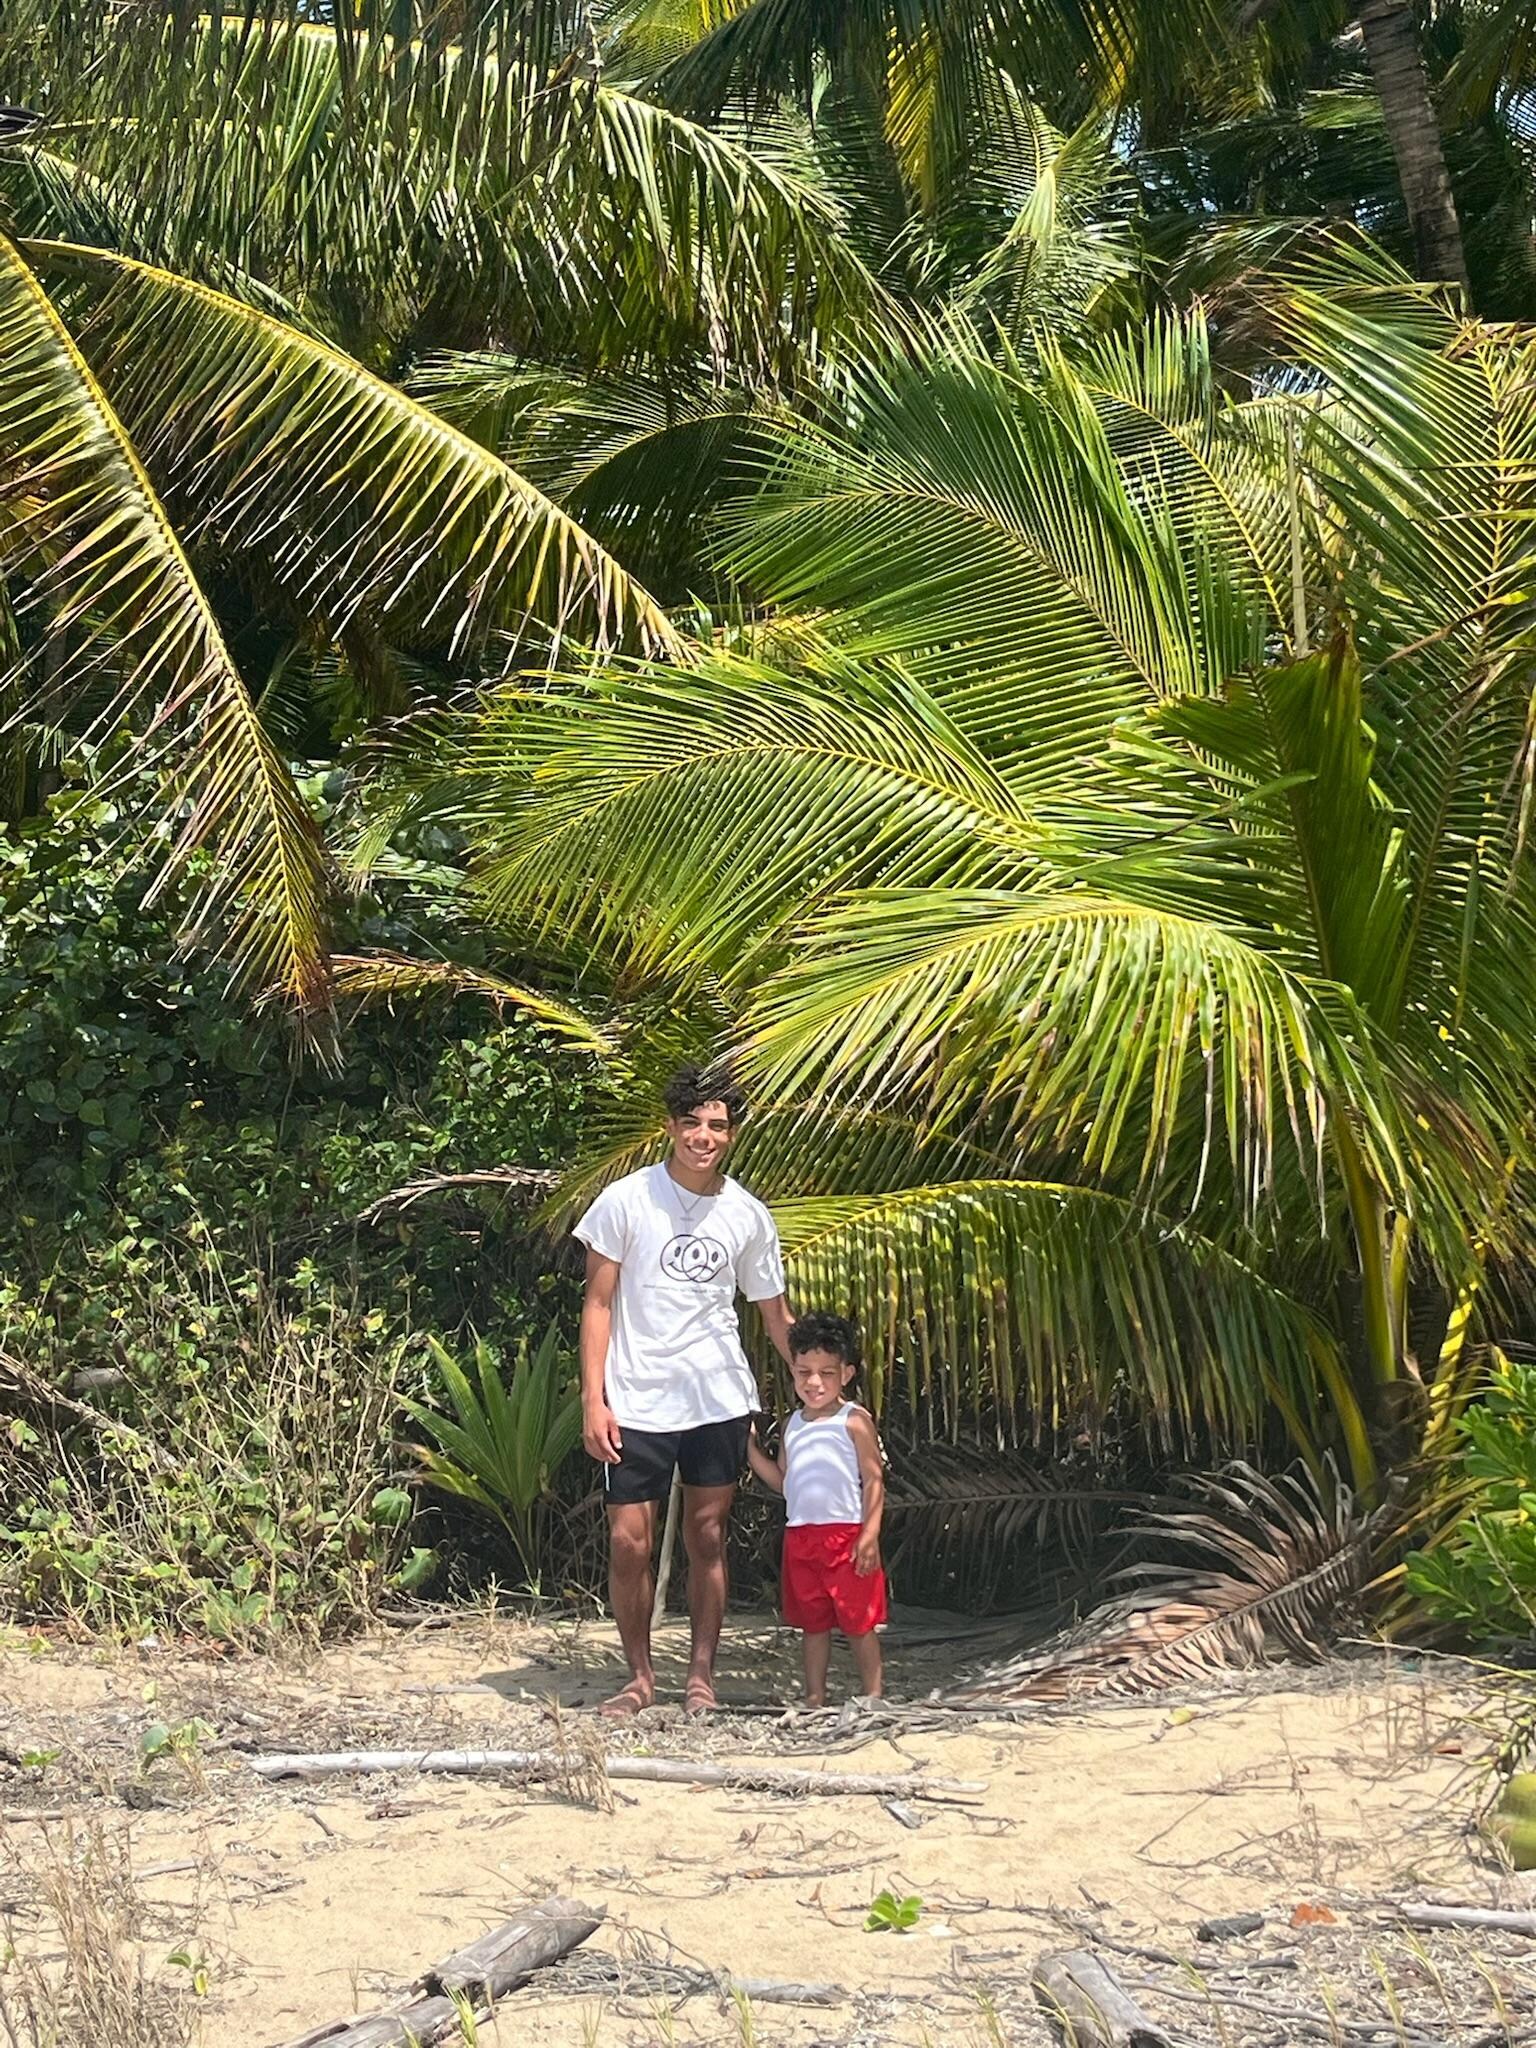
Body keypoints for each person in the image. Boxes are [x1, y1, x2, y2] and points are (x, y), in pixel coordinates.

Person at [574, 1066, 793, 1717]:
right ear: (670, 1126)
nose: (704, 1136)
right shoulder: (625, 1200)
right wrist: (594, 1398)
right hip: (636, 1398)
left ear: (731, 1133)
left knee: (707, 1537)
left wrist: (824, 1389)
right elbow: (598, 1304)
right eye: (692, 1122)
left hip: (717, 1399)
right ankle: (639, 1678)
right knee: (628, 1543)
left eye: (717, 1125)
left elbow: (775, 1314)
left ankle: (700, 1675)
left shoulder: (748, 1215)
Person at [747, 1312, 887, 1707]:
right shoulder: (793, 1424)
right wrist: (751, 1451)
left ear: (846, 1374)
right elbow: (783, 1482)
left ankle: (873, 1695)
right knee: (813, 1623)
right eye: (804, 1371)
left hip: (847, 1537)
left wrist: (870, 1535)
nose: (814, 1382)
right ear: (793, 1371)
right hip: (801, 1537)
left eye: (826, 1373)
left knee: (859, 1622)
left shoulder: (855, 1420)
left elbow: (874, 1480)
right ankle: (814, 1697)